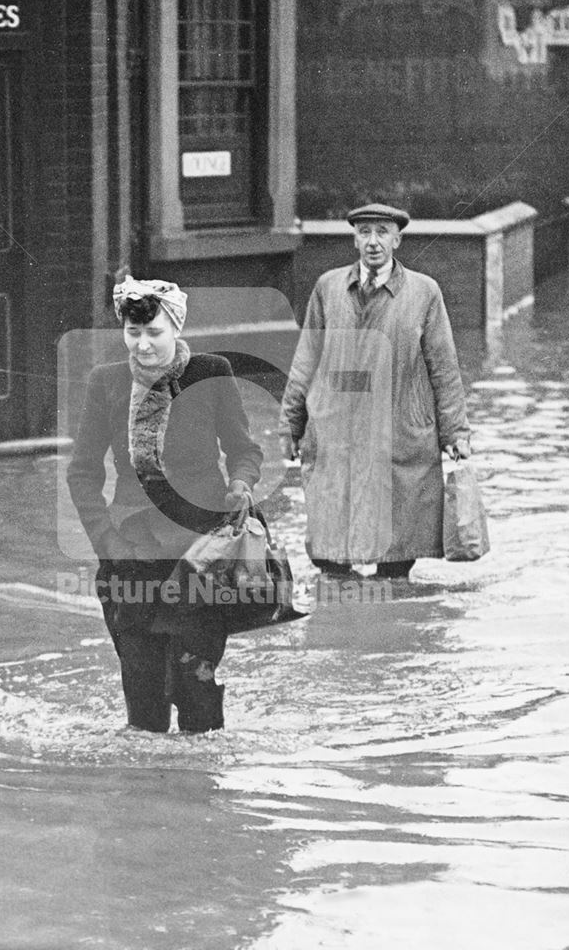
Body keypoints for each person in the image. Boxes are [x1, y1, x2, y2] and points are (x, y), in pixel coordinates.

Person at [67, 276, 262, 733]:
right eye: (133, 334)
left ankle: (199, 796)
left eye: (154, 332)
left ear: (176, 326)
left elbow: (245, 450)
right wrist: (107, 542)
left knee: (199, 706)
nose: (143, 345)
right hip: (130, 558)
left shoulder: (211, 373)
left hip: (202, 558)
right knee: (144, 710)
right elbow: (83, 472)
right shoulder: (107, 381)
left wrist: (240, 483)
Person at [279, 202, 471, 580]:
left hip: (398, 432)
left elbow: (444, 368)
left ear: (397, 239)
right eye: (364, 232)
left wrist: (456, 433)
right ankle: (339, 628)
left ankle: (389, 629)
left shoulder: (424, 293)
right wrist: (290, 424)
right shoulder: (328, 287)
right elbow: (306, 360)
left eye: (382, 232)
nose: (373, 242)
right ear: (354, 239)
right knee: (330, 556)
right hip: (337, 431)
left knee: (396, 557)